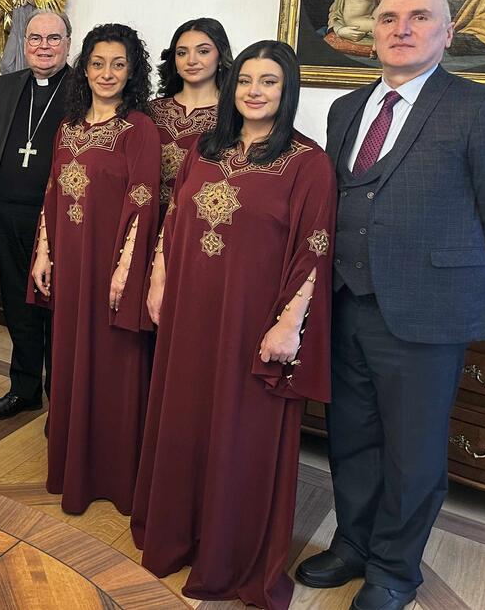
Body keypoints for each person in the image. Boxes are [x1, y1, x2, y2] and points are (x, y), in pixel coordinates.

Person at [296, 0, 485, 610]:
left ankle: (393, 570)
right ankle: (353, 545)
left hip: (425, 313)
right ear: (372, 34)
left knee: (413, 453)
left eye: (420, 17)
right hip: (346, 302)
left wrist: (442, 276)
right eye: (388, 17)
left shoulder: (479, 109)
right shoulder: (345, 109)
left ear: (447, 34)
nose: (402, 28)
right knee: (352, 437)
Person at [132, 40, 336, 610]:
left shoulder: (307, 162)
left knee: (239, 434)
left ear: (286, 90)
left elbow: (314, 250)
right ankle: (178, 535)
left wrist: (288, 325)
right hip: (189, 314)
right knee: (186, 418)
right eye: (246, 79)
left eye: (269, 81)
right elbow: (174, 222)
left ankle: (230, 554)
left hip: (253, 323)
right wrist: (157, 280)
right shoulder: (204, 147)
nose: (254, 91)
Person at [29, 23, 160, 514]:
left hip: (111, 268)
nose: (107, 73)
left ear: (132, 72)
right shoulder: (68, 126)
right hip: (70, 265)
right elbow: (51, 192)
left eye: (118, 64)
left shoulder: (139, 129)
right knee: (67, 360)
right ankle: (70, 466)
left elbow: (144, 202)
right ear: (84, 68)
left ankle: (109, 474)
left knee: (113, 364)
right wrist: (44, 251)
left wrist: (124, 272)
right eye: (98, 63)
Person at [0, 10, 72, 420]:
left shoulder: (80, 91)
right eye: (35, 38)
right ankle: (25, 388)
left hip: (55, 222)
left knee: (56, 310)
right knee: (17, 307)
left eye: (54, 38)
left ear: (69, 43)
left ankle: (61, 400)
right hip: (5, 217)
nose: (43, 46)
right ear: (23, 43)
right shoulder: (6, 85)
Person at [146, 17, 233, 217]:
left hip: (199, 225)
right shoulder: (151, 112)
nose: (191, 60)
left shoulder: (234, 116)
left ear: (220, 56)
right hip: (149, 221)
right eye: (182, 53)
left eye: (203, 51)